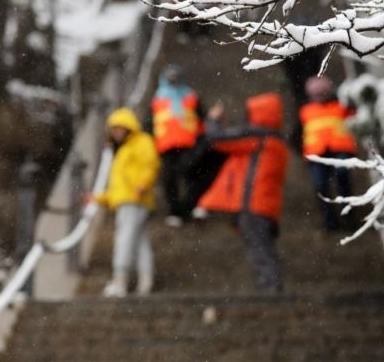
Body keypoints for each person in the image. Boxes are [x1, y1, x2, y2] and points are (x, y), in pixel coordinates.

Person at [197, 93, 289, 293]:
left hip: (253, 204)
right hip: (266, 205)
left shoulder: (260, 137)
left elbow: (218, 139)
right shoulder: (276, 141)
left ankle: (270, 291)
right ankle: (271, 289)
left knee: (259, 250)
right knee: (263, 248)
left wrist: (213, 120)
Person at [87, 107, 161, 297]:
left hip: (134, 200)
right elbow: (117, 188)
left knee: (125, 239)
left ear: (129, 128)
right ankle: (146, 281)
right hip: (127, 200)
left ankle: (119, 281)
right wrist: (97, 198)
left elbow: (150, 164)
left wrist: (143, 184)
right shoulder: (121, 151)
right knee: (140, 243)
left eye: (120, 128)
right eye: (114, 129)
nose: (117, 132)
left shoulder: (141, 142)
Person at [150, 64, 220, 225]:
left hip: (189, 143)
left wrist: (205, 133)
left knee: (192, 174)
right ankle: (175, 211)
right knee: (169, 179)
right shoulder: (157, 99)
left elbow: (202, 118)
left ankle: (191, 207)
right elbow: (150, 122)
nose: (173, 80)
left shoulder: (191, 96)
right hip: (166, 145)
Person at [299, 76, 357, 231]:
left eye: (322, 93)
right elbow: (298, 134)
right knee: (320, 186)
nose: (319, 97)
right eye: (316, 94)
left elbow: (356, 123)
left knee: (342, 178)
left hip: (340, 151)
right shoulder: (306, 111)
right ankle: (330, 222)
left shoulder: (341, 107)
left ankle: (349, 217)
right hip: (316, 155)